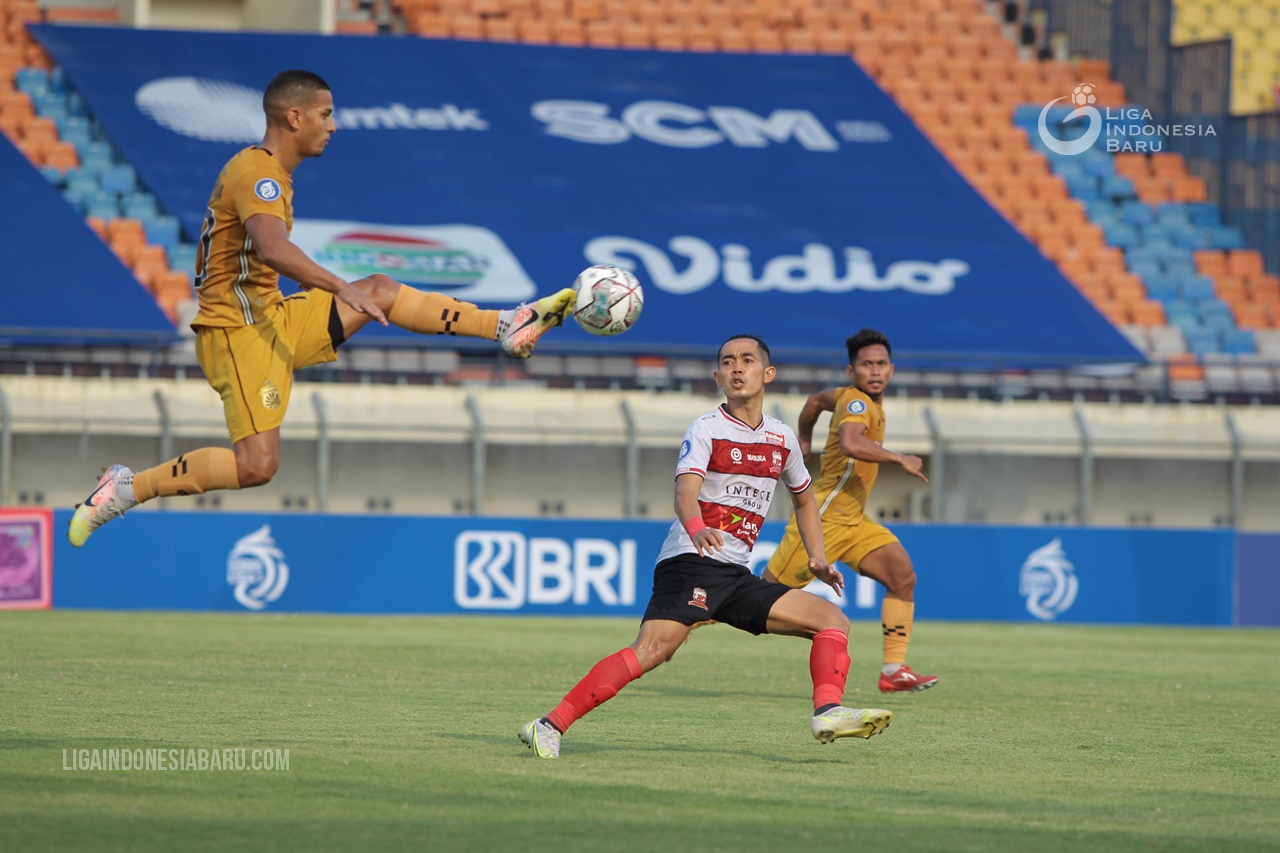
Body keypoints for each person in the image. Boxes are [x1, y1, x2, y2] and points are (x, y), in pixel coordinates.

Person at [68, 70, 574, 547]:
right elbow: (271, 248)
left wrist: (348, 290)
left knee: (378, 287)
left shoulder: (273, 175)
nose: (333, 126)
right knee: (257, 467)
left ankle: (507, 324)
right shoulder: (257, 173)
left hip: (272, 317)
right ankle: (128, 488)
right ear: (294, 117)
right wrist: (338, 287)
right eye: (326, 114)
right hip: (237, 332)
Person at [519, 334, 892, 759]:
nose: (737, 368)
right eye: (728, 362)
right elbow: (684, 493)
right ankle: (549, 725)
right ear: (718, 376)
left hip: (734, 575)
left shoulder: (781, 438)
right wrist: (696, 528)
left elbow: (805, 500)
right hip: (691, 563)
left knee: (831, 621)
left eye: (747, 360)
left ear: (767, 373)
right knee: (652, 650)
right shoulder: (707, 429)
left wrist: (818, 558)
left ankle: (827, 711)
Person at [763, 328, 938, 693]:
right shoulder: (857, 402)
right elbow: (851, 441)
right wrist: (900, 458)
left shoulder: (845, 396)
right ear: (851, 371)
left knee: (902, 577)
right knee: (760, 597)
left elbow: (813, 402)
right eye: (866, 365)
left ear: (891, 369)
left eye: (880, 364)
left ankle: (893, 670)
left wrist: (806, 438)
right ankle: (690, 616)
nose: (874, 371)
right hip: (824, 516)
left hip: (854, 519)